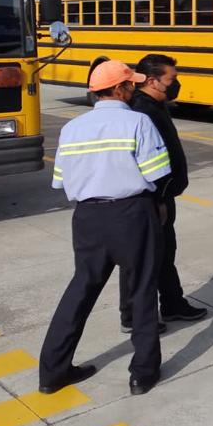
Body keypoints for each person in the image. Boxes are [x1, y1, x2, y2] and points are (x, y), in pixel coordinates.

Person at [38, 60, 169, 396]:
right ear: (119, 89)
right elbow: (157, 174)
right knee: (141, 290)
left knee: (80, 290)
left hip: (87, 218)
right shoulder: (137, 121)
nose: (133, 89)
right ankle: (142, 373)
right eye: (130, 85)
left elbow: (61, 182)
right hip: (130, 214)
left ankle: (52, 372)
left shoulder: (72, 128)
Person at [119, 54, 208, 332]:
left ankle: (172, 304)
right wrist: (157, 200)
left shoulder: (156, 104)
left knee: (165, 253)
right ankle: (133, 316)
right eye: (171, 79)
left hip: (164, 195)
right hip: (150, 198)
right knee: (141, 258)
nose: (176, 84)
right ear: (153, 80)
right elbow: (141, 163)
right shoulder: (140, 111)